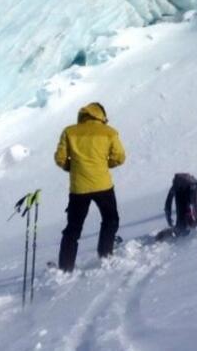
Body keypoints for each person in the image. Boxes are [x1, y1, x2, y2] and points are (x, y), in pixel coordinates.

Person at [53, 102, 127, 272]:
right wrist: (103, 165)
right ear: (101, 116)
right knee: (110, 220)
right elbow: (120, 157)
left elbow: (60, 158)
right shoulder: (109, 132)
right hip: (103, 186)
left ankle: (65, 268)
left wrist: (72, 168)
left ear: (83, 115)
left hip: (78, 188)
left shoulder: (69, 131)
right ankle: (105, 255)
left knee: (73, 228)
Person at [157, 172, 197, 241]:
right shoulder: (191, 187)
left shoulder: (177, 186)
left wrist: (169, 218)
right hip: (188, 191)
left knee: (181, 226)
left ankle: (179, 232)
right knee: (182, 226)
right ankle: (183, 231)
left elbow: (168, 204)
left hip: (185, 192)